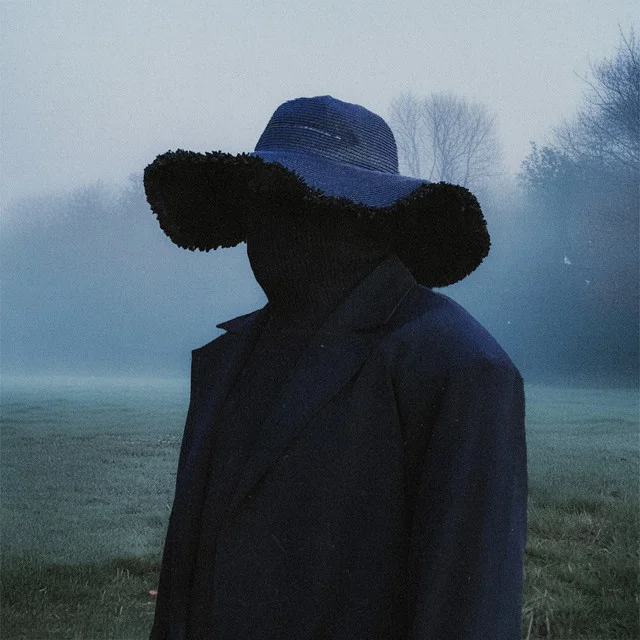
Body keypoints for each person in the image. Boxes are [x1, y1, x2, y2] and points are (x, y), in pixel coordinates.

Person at [144, 95, 527, 640]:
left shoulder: (458, 367)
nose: (270, 223)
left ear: (365, 213)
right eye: (261, 197)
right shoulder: (230, 357)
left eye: (299, 197)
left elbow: (468, 614)